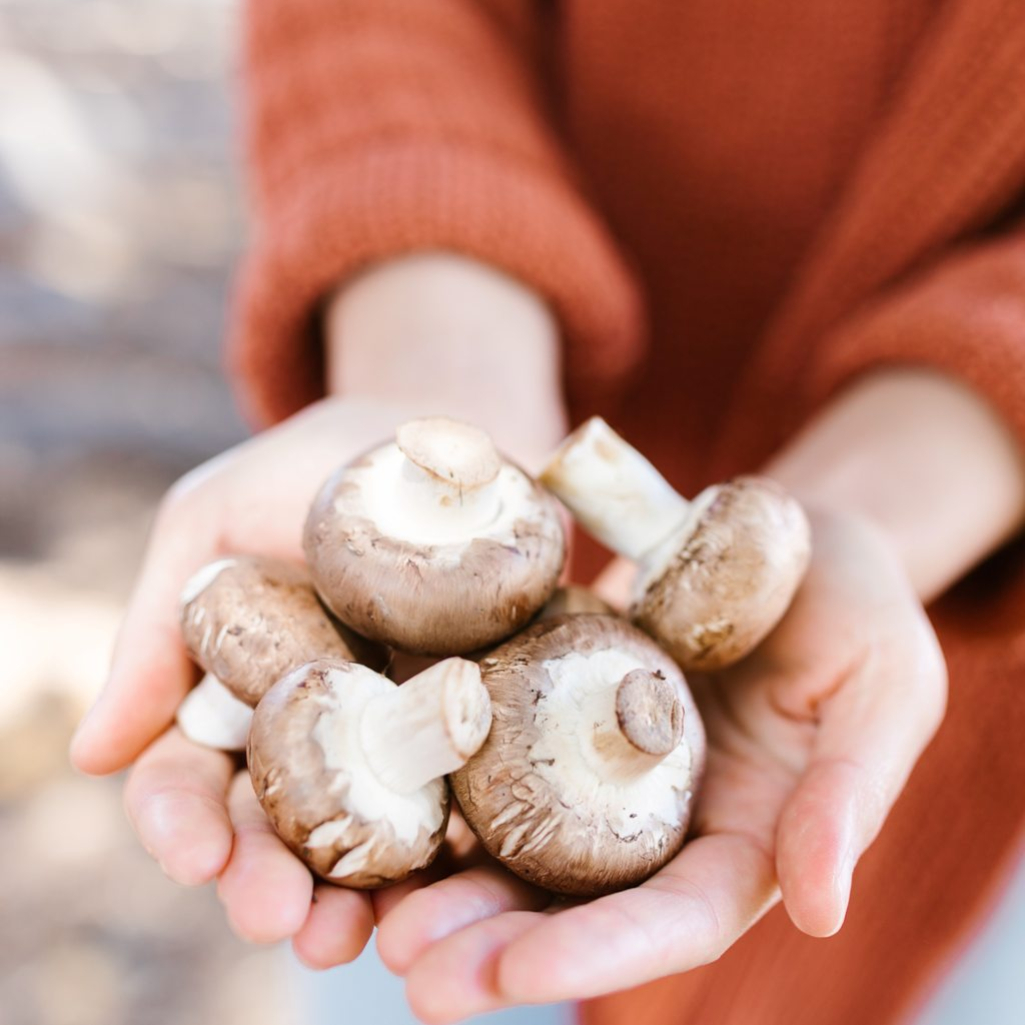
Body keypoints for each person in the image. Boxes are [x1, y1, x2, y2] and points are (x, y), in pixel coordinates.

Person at [70, 2, 1025, 1023]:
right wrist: (436, 367)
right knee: (423, 967)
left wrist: (883, 506)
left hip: (978, 761)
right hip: (421, 852)